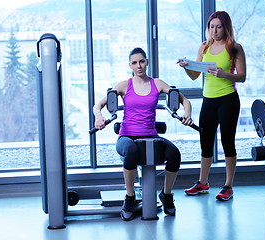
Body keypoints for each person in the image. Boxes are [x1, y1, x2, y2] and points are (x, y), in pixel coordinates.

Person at [93, 47, 194, 221]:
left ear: (147, 62)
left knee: (174, 153)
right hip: (127, 136)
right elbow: (98, 105)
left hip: (151, 135)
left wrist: (187, 113)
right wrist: (99, 117)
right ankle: (130, 197)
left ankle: (166, 194)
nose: (138, 66)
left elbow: (184, 100)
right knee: (131, 151)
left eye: (141, 61)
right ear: (130, 65)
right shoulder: (124, 85)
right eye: (134, 63)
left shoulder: (158, 83)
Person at [179, 11, 246, 201]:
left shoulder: (235, 48)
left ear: (226, 28)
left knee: (227, 142)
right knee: (205, 142)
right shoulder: (204, 47)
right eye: (211, 26)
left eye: (218, 26)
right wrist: (186, 67)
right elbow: (195, 76)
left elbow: (242, 76)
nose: (214, 30)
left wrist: (224, 74)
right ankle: (203, 182)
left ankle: (228, 186)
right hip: (208, 100)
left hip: (228, 100)